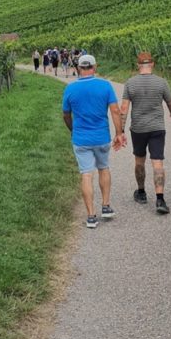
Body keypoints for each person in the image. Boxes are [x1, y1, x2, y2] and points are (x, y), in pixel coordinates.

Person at [62, 54, 127, 228]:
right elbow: (115, 111)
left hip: (81, 138)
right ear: (95, 67)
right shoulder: (105, 86)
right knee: (103, 168)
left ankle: (91, 216)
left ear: (78, 68)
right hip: (101, 137)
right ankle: (106, 206)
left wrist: (73, 129)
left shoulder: (70, 88)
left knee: (86, 174)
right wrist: (119, 133)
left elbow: (66, 114)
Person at [120, 51, 171, 214]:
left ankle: (141, 192)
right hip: (157, 128)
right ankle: (160, 199)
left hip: (138, 128)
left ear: (138, 65)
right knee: (157, 162)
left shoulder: (130, 83)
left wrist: (120, 130)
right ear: (152, 64)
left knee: (139, 161)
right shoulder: (161, 82)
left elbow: (124, 109)